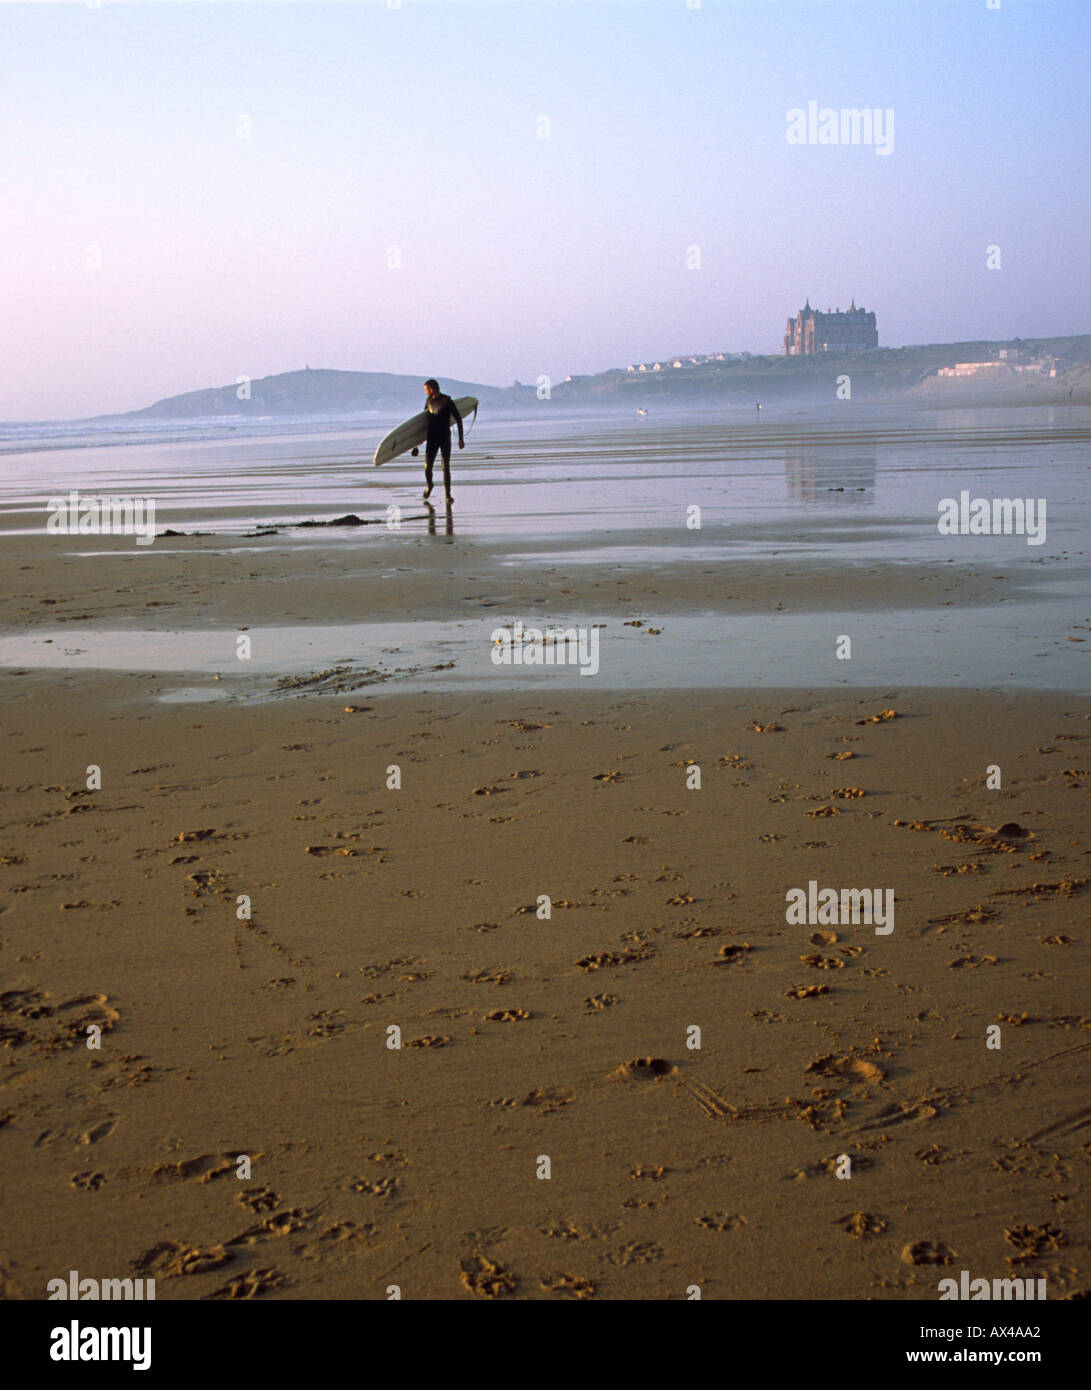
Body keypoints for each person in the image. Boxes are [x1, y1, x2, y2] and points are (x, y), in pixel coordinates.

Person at [421, 379, 464, 506]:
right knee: (427, 467)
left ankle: (448, 495)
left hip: (444, 437)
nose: (425, 392)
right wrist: (416, 442)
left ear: (432, 389)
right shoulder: (428, 401)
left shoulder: (447, 401)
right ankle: (430, 486)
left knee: (446, 467)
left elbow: (458, 419)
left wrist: (461, 438)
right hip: (432, 438)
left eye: (426, 390)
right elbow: (421, 421)